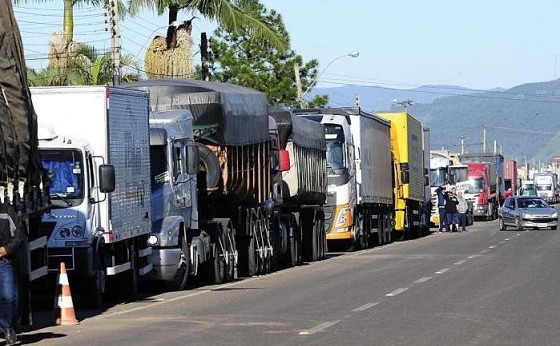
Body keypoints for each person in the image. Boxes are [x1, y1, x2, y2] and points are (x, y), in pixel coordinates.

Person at [0, 202, 25, 346]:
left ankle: (7, 328)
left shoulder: (7, 210)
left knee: (8, 296)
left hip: (4, 262)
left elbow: (19, 235)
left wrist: (6, 249)